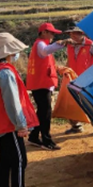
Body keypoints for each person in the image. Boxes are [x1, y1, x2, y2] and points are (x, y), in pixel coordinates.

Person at [0, 33, 43, 187]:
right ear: (8, 52)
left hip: (0, 123)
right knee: (19, 159)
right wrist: (21, 124)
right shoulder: (5, 72)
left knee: (6, 158)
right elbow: (12, 102)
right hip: (10, 124)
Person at [26, 22, 64, 150]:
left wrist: (57, 68)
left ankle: (34, 136)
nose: (53, 35)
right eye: (51, 32)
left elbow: (46, 61)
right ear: (43, 33)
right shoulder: (41, 44)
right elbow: (45, 52)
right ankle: (46, 140)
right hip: (42, 84)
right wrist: (62, 43)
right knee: (45, 113)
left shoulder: (40, 44)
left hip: (41, 83)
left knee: (42, 112)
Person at [64, 23, 93, 132]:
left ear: (82, 34)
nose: (72, 36)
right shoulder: (70, 45)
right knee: (73, 103)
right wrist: (66, 71)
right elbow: (69, 60)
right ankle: (75, 126)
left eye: (75, 33)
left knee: (91, 104)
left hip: (88, 79)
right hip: (73, 78)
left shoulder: (90, 45)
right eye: (71, 34)